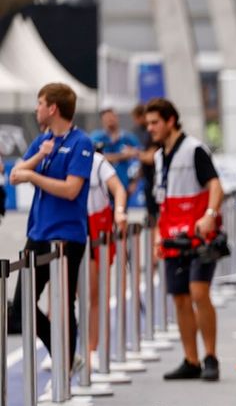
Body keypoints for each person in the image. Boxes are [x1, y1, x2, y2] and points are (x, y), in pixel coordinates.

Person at [7, 83, 93, 368]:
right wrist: (39, 157)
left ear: (53, 108)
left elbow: (70, 189)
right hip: (38, 233)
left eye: (40, 103)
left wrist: (34, 177)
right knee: (21, 306)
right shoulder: (43, 142)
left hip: (67, 235)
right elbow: (15, 175)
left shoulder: (81, 143)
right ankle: (63, 354)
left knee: (64, 302)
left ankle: (65, 366)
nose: (37, 109)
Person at [145, 97, 224, 381]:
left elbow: (216, 185)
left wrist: (210, 214)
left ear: (170, 121)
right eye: (148, 123)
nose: (150, 128)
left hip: (200, 236)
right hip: (172, 238)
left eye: (155, 122)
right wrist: (158, 234)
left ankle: (211, 356)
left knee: (199, 293)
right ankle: (191, 360)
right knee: (180, 298)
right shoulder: (158, 157)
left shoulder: (194, 150)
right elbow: (161, 201)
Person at [85, 147, 127, 355]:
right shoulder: (53, 154)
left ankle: (93, 349)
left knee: (95, 293)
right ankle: (58, 351)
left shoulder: (97, 161)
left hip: (95, 229)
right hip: (66, 228)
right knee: (63, 293)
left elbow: (118, 189)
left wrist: (119, 212)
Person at [90, 107, 140, 200]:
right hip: (102, 186)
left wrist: (134, 182)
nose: (110, 120)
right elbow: (95, 158)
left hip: (124, 185)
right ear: (102, 120)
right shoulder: (96, 137)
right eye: (107, 118)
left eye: (112, 117)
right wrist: (123, 156)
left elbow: (139, 159)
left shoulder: (129, 138)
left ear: (117, 117)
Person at [131, 103, 158, 218]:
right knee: (151, 214)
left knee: (156, 215)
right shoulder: (147, 135)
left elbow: (151, 158)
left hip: (155, 182)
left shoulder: (153, 135)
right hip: (148, 182)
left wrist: (134, 153)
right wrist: (135, 181)